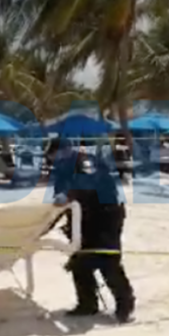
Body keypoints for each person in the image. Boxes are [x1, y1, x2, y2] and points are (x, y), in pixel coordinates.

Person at [45, 138, 135, 324]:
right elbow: (61, 206)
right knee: (80, 262)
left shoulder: (86, 161)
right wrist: (45, 227)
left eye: (56, 157)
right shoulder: (61, 172)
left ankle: (125, 306)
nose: (54, 162)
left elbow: (87, 184)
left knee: (107, 261)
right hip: (83, 219)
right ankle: (87, 304)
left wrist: (68, 195)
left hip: (106, 216)